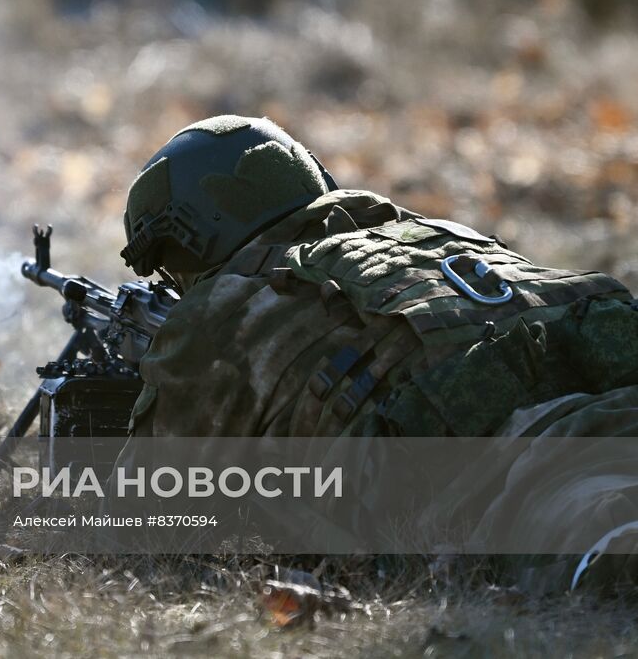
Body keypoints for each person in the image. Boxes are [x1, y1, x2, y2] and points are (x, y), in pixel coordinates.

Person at [116, 114, 638, 590]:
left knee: (602, 541)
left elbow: (139, 514)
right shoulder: (439, 235)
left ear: (192, 237)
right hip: (613, 407)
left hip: (524, 478)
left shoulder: (221, 308)